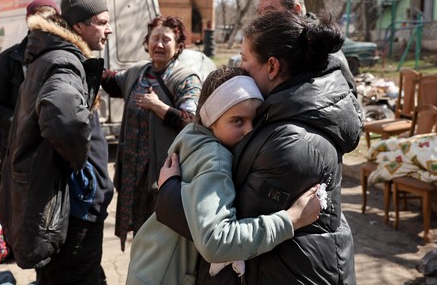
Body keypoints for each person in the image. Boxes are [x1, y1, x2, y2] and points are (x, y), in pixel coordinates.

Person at [156, 11, 362, 284]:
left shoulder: (292, 142)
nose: (240, 69)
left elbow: (220, 233)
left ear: (272, 67)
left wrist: (169, 191)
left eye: (244, 59)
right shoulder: (279, 114)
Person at [126, 66, 322, 285]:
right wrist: (292, 219)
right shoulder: (215, 158)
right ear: (211, 119)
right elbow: (216, 241)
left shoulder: (192, 133)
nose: (249, 130)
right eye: (237, 121)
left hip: (150, 264)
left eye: (254, 120)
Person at [0, 0, 114, 285]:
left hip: (64, 203)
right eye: (101, 22)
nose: (108, 29)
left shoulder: (50, 56)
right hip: (74, 207)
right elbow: (63, 121)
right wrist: (81, 165)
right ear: (78, 27)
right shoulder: (65, 62)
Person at [101, 15, 202, 251]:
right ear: (146, 42)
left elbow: (193, 122)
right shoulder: (136, 73)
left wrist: (160, 108)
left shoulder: (186, 78)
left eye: (166, 40)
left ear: (178, 46)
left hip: (162, 176)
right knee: (140, 239)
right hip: (133, 177)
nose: (159, 44)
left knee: (162, 242)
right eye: (154, 38)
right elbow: (108, 80)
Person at [0, 0, 60, 196]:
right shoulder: (11, 58)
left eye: (49, 20)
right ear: (28, 22)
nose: (43, 26)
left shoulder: (64, 58)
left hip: (55, 154)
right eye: (38, 21)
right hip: (18, 152)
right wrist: (23, 125)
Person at [254, 0, 357, 97]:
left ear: (296, 10)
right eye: (259, 13)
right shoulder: (280, 40)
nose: (262, 20)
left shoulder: (321, 41)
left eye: (269, 12)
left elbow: (349, 92)